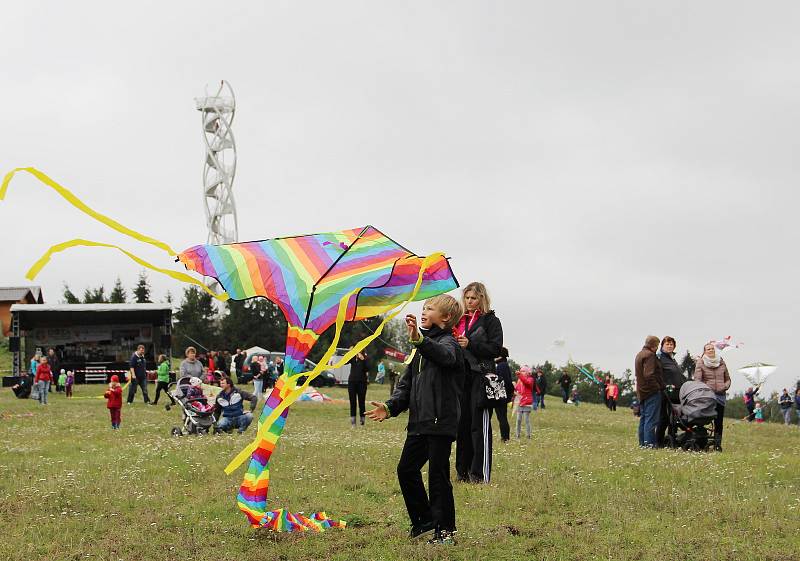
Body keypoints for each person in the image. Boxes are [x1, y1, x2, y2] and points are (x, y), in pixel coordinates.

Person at [366, 294, 464, 545]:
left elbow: (445, 356)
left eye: (429, 308)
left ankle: (446, 532)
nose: (423, 311)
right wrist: (390, 407)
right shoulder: (419, 351)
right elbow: (406, 386)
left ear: (445, 318)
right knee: (406, 470)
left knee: (437, 477)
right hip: (420, 423)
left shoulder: (449, 344)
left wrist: (420, 340)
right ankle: (424, 521)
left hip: (440, 423)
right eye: (423, 307)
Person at [454, 282, 503, 484]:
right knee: (461, 427)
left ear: (482, 298)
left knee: (478, 426)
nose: (469, 302)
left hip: (481, 379)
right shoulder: (458, 320)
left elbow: (495, 349)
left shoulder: (491, 321)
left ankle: (479, 474)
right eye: (466, 298)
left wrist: (471, 344)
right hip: (460, 378)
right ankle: (462, 472)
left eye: (473, 298)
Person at [692, 341, 731, 452]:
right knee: (704, 419)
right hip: (707, 396)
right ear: (704, 351)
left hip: (721, 395)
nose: (711, 350)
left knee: (719, 422)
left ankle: (717, 444)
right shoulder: (701, 362)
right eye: (708, 349)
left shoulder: (721, 361)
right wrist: (705, 391)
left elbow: (728, 378)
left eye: (712, 348)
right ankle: (701, 441)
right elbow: (697, 380)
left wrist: (725, 386)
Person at [634, 336, 665, 448]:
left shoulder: (640, 354)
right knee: (651, 420)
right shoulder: (650, 355)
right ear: (655, 345)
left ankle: (643, 444)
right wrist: (657, 387)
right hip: (651, 392)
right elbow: (649, 374)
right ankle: (649, 445)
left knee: (644, 419)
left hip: (641, 391)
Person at [656, 336, 687, 447]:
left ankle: (671, 441)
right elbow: (658, 375)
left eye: (671, 344)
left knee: (674, 419)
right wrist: (666, 385)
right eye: (667, 344)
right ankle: (658, 443)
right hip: (665, 392)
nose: (669, 346)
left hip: (676, 393)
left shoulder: (672, 359)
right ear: (662, 346)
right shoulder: (660, 358)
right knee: (663, 418)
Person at [493, 348, 514, 442]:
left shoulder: (501, 366)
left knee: (502, 417)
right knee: (502, 417)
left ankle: (505, 438)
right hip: (503, 394)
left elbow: (506, 381)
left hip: (501, 394)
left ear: (500, 356)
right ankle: (505, 437)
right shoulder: (504, 365)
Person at [347, 351, 370, 427]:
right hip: (352, 382)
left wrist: (363, 359)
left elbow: (367, 369)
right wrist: (349, 353)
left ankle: (362, 421)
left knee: (361, 402)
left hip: (362, 383)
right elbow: (344, 361)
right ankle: (353, 422)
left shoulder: (365, 357)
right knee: (352, 402)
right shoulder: (353, 357)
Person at [515, 366, 533, 439]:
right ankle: (517, 435)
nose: (522, 373)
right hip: (520, 402)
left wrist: (519, 375)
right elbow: (516, 389)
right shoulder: (519, 380)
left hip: (527, 402)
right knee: (518, 420)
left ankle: (528, 435)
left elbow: (526, 382)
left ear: (528, 372)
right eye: (521, 371)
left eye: (524, 371)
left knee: (526, 420)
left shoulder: (530, 379)